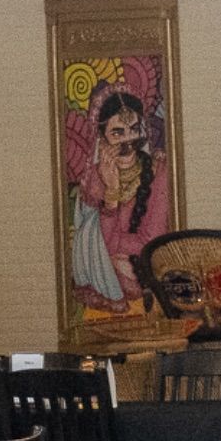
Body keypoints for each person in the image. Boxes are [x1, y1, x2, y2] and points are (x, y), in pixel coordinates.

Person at [67, 82, 162, 314]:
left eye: (134, 129)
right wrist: (112, 191)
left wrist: (113, 252)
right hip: (110, 288)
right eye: (117, 133)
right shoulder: (94, 179)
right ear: (101, 138)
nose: (128, 142)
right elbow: (90, 244)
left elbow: (151, 242)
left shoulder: (160, 171)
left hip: (147, 277)